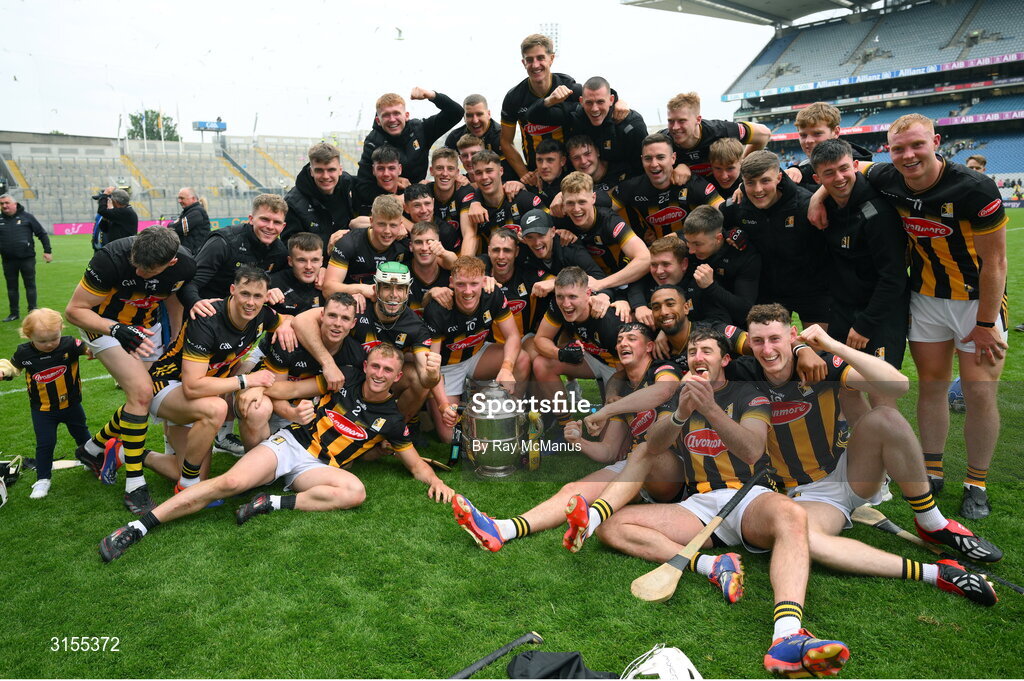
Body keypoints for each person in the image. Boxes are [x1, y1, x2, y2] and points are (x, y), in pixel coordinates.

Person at [594, 327, 851, 678]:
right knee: (614, 527)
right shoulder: (680, 397)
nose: (699, 357)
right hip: (699, 504)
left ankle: (786, 637)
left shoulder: (750, 394)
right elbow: (652, 447)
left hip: (750, 496)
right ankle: (711, 565)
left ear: (724, 359)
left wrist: (711, 409)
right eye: (694, 352)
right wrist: (682, 414)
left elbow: (751, 449)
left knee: (791, 515)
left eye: (707, 351)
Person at [727, 305, 1000, 604]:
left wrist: (830, 345)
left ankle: (932, 521)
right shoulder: (743, 372)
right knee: (804, 539)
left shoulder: (820, 363)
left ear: (793, 335)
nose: (767, 350)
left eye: (775, 339)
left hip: (849, 470)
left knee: (885, 417)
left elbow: (898, 386)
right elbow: (713, 331)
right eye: (758, 341)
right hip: (811, 496)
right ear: (748, 343)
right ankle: (936, 573)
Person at [810, 113, 1009, 519]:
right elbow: (845, 167)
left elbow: (997, 262)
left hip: (975, 302)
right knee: (932, 388)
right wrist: (817, 196)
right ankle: (931, 470)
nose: (909, 155)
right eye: (899, 148)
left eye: (917, 145)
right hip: (926, 298)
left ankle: (977, 482)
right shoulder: (887, 175)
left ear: (936, 141)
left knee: (979, 393)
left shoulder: (974, 187)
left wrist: (987, 324)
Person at [98, 343, 455, 563]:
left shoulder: (392, 419)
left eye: (387, 370)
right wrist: (270, 395)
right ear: (366, 366)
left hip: (317, 468)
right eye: (375, 366)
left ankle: (270, 503)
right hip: (290, 446)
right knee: (230, 482)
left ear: (396, 378)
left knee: (355, 491)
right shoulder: (342, 379)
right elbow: (287, 389)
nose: (379, 374)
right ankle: (138, 526)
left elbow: (415, 465)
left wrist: (439, 482)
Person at [452, 322, 683, 550]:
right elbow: (609, 451)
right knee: (573, 491)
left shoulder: (663, 369)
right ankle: (503, 529)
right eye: (620, 340)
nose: (623, 343)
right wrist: (578, 441)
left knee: (647, 450)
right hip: (635, 468)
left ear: (650, 346)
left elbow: (665, 390)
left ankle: (591, 520)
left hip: (670, 469)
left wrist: (608, 409)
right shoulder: (621, 389)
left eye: (632, 339)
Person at [65, 227, 196, 512]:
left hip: (144, 329)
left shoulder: (184, 264)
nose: (139, 274)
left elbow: (173, 298)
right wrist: (115, 328)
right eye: (136, 266)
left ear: (171, 262)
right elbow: (74, 310)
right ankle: (134, 484)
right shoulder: (110, 258)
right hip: (101, 324)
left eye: (148, 271)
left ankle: (92, 449)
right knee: (141, 392)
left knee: (145, 397)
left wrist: (174, 339)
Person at [809, 139, 909, 405]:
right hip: (843, 311)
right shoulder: (827, 204)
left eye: (843, 169)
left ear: (855, 165)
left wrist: (865, 324)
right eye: (829, 173)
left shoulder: (878, 213)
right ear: (818, 178)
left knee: (882, 394)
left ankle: (889, 446)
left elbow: (894, 277)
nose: (839, 178)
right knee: (845, 389)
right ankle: (856, 446)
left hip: (879, 316)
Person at [424, 256, 527, 443]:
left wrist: (506, 367)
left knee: (521, 359)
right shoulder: (439, 308)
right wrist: (443, 405)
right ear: (451, 283)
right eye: (461, 284)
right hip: (446, 368)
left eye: (474, 284)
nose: (468, 291)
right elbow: (433, 365)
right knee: (449, 436)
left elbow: (512, 335)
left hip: (477, 355)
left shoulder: (493, 293)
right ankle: (462, 399)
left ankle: (512, 417)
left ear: (483, 281)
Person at [723, 150, 830, 329]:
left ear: (779, 178)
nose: (758, 189)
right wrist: (729, 234)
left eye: (765, 181)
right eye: (750, 183)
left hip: (813, 290)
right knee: (770, 348)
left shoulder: (806, 204)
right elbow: (715, 224)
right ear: (742, 183)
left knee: (818, 352)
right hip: (768, 293)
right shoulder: (738, 206)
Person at [4, 309, 91, 499]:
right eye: (42, 341)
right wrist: (4, 371)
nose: (50, 344)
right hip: (43, 410)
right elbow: (12, 367)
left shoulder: (69, 344)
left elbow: (88, 349)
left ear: (61, 329)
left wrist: (94, 352)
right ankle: (43, 479)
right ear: (28, 335)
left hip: (72, 405)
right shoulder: (24, 352)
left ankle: (91, 461)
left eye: (54, 338)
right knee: (45, 444)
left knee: (82, 434)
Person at [610, 133, 724, 244]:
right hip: (659, 255)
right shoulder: (631, 187)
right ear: (642, 160)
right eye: (648, 158)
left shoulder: (694, 184)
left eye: (660, 157)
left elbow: (723, 212)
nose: (654, 164)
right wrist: (640, 234)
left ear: (673, 158)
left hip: (693, 251)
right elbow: (599, 209)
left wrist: (679, 236)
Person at [527, 76, 648, 178]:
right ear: (581, 101)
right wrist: (550, 100)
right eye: (589, 103)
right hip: (585, 184)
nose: (594, 109)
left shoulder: (631, 124)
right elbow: (532, 116)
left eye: (600, 102)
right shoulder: (575, 114)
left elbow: (643, 168)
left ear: (611, 100)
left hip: (624, 183)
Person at [356, 88, 463, 186]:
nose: (392, 119)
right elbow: (363, 184)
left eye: (396, 113)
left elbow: (456, 112)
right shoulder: (373, 142)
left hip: (418, 198)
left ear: (406, 116)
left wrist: (431, 95)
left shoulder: (421, 130)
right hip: (389, 200)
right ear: (378, 121)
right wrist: (393, 181)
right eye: (386, 115)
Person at [681, 205, 760, 327]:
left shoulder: (743, 255)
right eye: (688, 242)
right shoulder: (692, 242)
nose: (691, 250)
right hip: (690, 321)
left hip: (732, 327)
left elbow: (745, 309)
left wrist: (711, 286)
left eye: (697, 244)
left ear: (718, 238)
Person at [324, 194, 410, 301]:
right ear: (371, 221)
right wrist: (362, 289)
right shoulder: (349, 243)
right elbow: (328, 289)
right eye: (382, 224)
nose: (387, 231)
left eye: (393, 225)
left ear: (401, 225)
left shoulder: (404, 245)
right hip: (351, 302)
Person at [662, 92, 769, 177]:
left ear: (698, 119)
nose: (675, 127)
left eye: (682, 121)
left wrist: (744, 164)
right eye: (671, 121)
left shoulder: (721, 131)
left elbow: (764, 134)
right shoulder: (662, 142)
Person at [458, 150, 544, 256]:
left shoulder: (524, 198)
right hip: (494, 266)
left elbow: (551, 230)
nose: (484, 177)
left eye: (489, 171)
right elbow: (470, 237)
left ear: (501, 171)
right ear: (474, 176)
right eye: (479, 173)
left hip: (529, 264)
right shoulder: (471, 205)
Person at [282, 142, 354, 257]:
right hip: (314, 267)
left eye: (331, 170)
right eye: (319, 170)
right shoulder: (293, 202)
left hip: (348, 261)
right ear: (311, 171)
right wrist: (326, 248)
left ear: (340, 170)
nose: (326, 176)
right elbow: (289, 246)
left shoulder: (350, 186)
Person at [784, 103, 872, 191]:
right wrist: (795, 170)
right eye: (803, 135)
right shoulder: (804, 165)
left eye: (817, 133)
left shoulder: (860, 166)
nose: (808, 141)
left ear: (836, 132)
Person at [0, 193, 51, 322]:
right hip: (8, 260)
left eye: (7, 203)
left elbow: (41, 233)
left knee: (30, 285)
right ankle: (14, 313)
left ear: (15, 204)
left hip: (26, 258)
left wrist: (47, 251)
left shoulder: (27, 217)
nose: (4, 206)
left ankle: (32, 311)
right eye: (1, 204)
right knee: (11, 287)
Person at [444, 94, 517, 180]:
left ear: (488, 114)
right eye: (469, 115)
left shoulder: (501, 136)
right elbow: (443, 167)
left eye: (479, 114)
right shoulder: (454, 137)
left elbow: (509, 174)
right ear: (464, 117)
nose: (475, 120)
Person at [352, 146, 405, 219]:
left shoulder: (409, 198)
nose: (386, 174)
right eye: (381, 168)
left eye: (391, 168)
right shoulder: (360, 197)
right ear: (373, 170)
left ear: (399, 169)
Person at [169, 187, 211, 256]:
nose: (179, 201)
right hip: (192, 253)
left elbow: (177, 229)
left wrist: (171, 224)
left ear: (193, 199)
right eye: (179, 198)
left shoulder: (196, 212)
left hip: (195, 255)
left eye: (182, 198)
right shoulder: (189, 211)